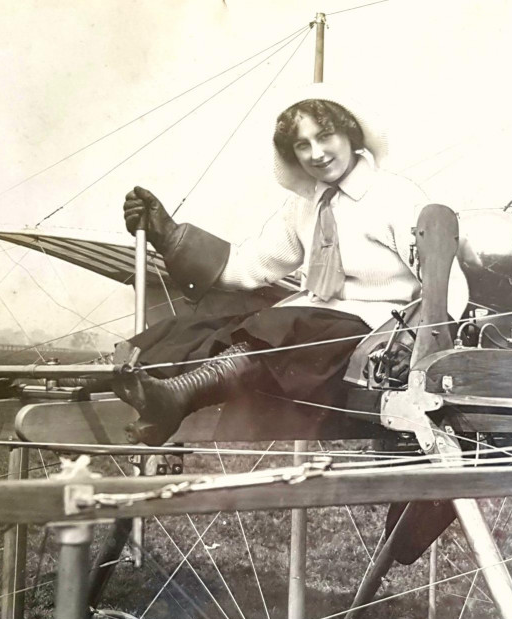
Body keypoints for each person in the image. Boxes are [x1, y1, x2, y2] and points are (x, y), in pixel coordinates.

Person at [116, 82, 467, 448]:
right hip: (315, 323)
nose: (316, 153)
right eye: (302, 144)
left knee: (283, 327)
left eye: (325, 136)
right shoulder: (303, 206)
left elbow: (447, 284)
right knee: (198, 330)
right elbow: (248, 267)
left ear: (350, 133)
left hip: (376, 330)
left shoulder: (394, 195)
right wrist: (171, 238)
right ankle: (154, 397)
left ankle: (177, 396)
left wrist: (421, 350)